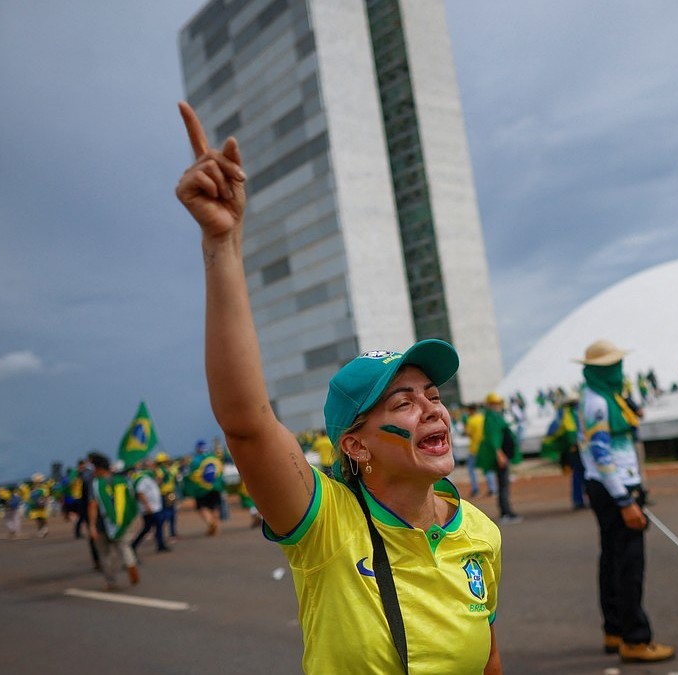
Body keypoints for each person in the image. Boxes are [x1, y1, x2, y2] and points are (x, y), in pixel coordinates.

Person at [173, 101, 502, 674]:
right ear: (355, 444)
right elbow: (247, 425)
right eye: (402, 402)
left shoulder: (480, 533)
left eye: (433, 395)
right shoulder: (327, 527)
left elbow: (488, 663)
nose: (431, 410)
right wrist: (222, 245)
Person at [575, 339, 675, 663]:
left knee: (612, 560)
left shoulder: (602, 395)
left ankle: (614, 630)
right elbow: (602, 455)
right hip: (616, 488)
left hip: (608, 486)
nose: (619, 370)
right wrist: (625, 500)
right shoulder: (598, 404)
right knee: (629, 566)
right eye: (612, 366)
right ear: (599, 370)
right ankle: (635, 639)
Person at [86, 453, 140, 590]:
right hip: (120, 521)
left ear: (98, 468)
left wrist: (92, 526)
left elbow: (93, 505)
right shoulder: (121, 480)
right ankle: (130, 565)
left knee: (105, 554)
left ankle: (111, 581)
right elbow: (131, 499)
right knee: (123, 546)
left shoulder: (96, 484)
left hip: (101, 524)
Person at [476, 392, 521, 523]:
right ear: (489, 405)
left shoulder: (495, 416)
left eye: (498, 403)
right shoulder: (491, 418)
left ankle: (507, 511)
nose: (498, 406)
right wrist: (499, 454)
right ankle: (506, 513)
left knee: (504, 484)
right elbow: (493, 437)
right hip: (501, 456)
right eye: (495, 403)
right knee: (503, 485)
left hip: (503, 455)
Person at [184, 440, 223, 536]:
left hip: (201, 489)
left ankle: (210, 522)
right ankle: (216, 526)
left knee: (202, 508)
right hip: (215, 487)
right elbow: (220, 471)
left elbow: (191, 476)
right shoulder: (214, 458)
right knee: (215, 507)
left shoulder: (195, 460)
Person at [129, 461, 169, 555]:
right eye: (152, 466)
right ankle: (134, 545)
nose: (154, 467)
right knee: (148, 528)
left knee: (155, 526)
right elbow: (140, 493)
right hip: (150, 508)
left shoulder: (149, 477)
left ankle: (160, 544)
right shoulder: (142, 478)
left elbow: (158, 483)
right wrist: (147, 506)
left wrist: (165, 475)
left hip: (155, 507)